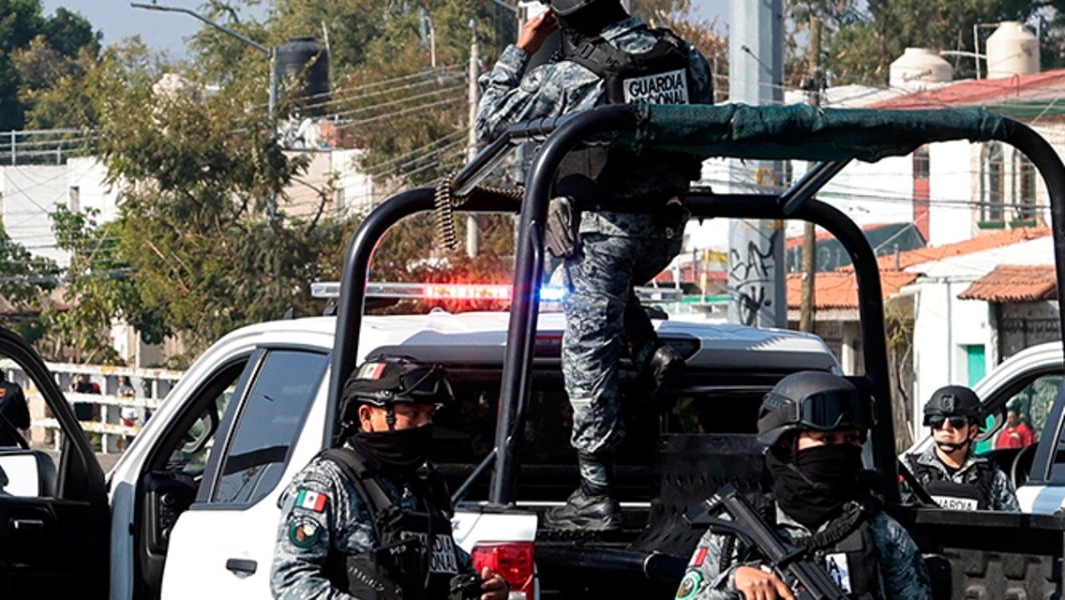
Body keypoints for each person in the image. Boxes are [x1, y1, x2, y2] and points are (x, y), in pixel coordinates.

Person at [475, 0, 713, 531]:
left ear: (566, 21)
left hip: (605, 236)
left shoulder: (576, 73)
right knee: (587, 271)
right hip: (664, 232)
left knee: (586, 353)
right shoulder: (683, 56)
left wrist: (524, 45)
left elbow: (491, 120)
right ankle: (648, 348)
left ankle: (595, 492)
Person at [271, 355, 509, 600]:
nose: (424, 425)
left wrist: (485, 588)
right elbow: (291, 580)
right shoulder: (329, 483)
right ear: (367, 417)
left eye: (429, 414)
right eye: (413, 414)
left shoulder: (422, 483)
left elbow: (444, 561)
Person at [676, 371, 931, 600]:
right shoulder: (735, 530)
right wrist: (733, 581)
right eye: (826, 439)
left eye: (851, 439)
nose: (841, 450)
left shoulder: (883, 532)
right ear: (785, 444)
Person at [899, 385, 1020, 512]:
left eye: (956, 422)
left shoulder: (993, 477)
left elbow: (1012, 522)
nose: (946, 428)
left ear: (973, 431)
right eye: (937, 421)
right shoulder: (907, 470)